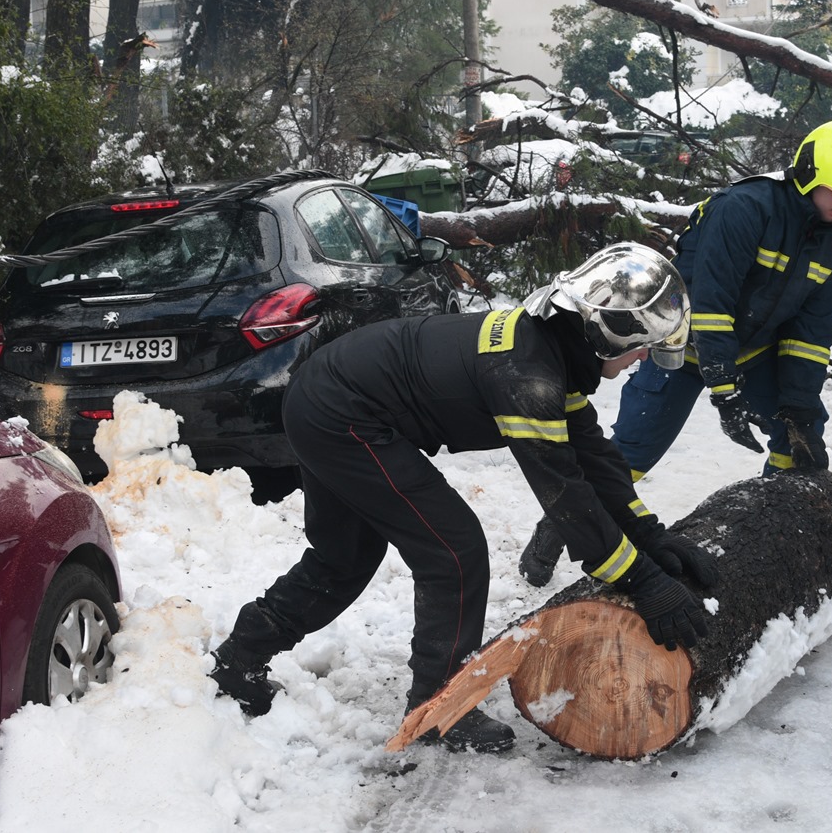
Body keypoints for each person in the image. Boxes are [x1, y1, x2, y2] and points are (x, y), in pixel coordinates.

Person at [207, 242, 721, 753]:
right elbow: (566, 496)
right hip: (343, 413)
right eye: (641, 347)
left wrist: (652, 537)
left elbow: (597, 463)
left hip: (326, 396)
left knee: (344, 556)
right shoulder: (529, 375)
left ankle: (241, 655)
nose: (640, 361)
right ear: (612, 333)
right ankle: (436, 707)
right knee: (453, 551)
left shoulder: (550, 349)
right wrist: (643, 580)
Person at [519, 119, 832, 586]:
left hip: (754, 350)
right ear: (811, 175)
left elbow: (810, 333)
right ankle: (557, 529)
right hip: (683, 344)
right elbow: (712, 306)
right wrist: (724, 388)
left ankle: (780, 528)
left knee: (800, 439)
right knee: (631, 452)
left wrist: (798, 403)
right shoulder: (743, 210)